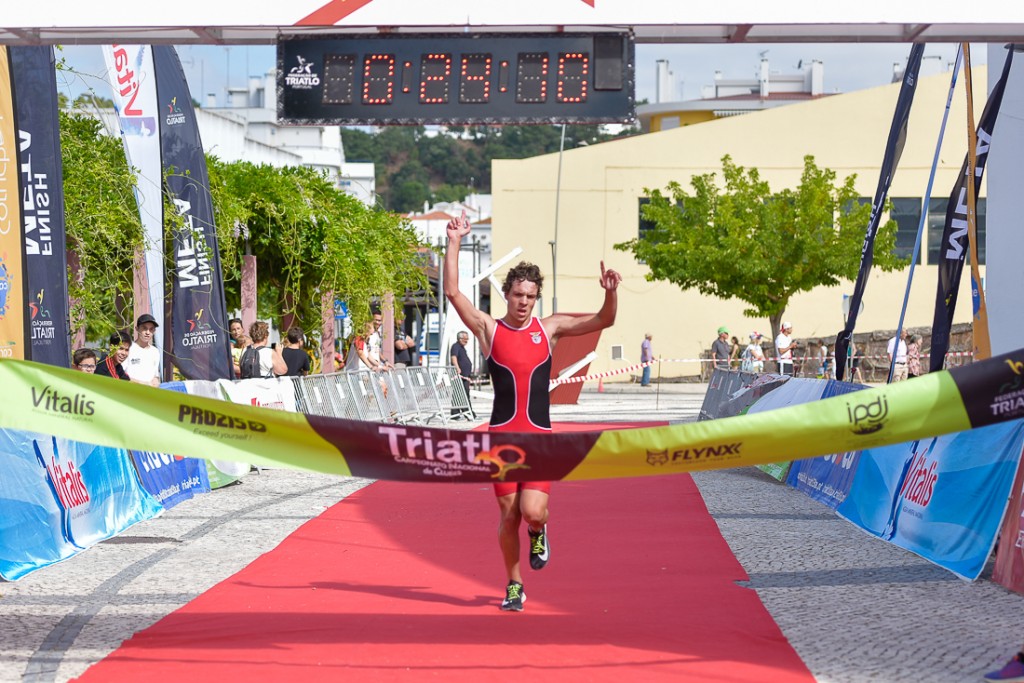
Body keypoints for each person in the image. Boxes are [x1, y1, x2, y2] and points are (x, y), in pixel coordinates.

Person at [443, 212, 621, 612]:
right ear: (507, 294)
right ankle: (514, 584)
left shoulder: (551, 329)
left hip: (540, 439)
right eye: (518, 295)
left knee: (531, 512)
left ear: (537, 298)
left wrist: (610, 291)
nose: (523, 302)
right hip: (501, 439)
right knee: (508, 517)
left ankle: (540, 530)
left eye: (530, 296)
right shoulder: (489, 329)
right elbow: (454, 292)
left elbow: (604, 319)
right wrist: (454, 240)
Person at [124, 313, 161, 387]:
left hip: (149, 395)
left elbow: (156, 375)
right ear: (137, 329)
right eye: (144, 328)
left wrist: (156, 380)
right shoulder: (128, 349)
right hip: (130, 393)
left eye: (151, 329)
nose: (148, 332)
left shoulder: (155, 352)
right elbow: (121, 375)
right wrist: (144, 384)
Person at [449, 331, 474, 418]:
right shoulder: (455, 346)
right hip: (460, 375)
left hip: (465, 376)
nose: (466, 341)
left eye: (467, 339)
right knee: (463, 394)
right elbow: (453, 357)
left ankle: (455, 414)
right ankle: (469, 414)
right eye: (465, 339)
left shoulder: (462, 347)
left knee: (458, 395)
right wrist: (457, 368)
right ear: (460, 339)